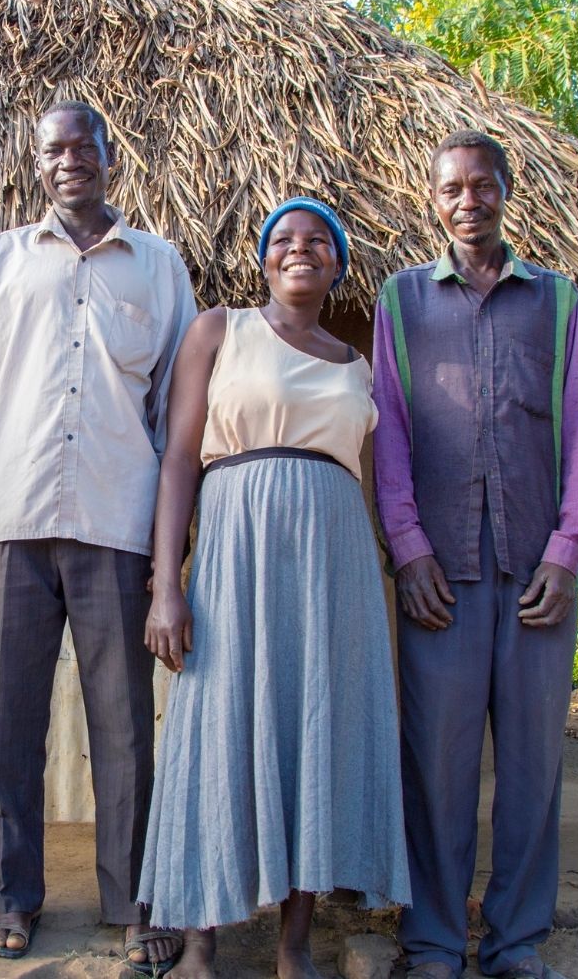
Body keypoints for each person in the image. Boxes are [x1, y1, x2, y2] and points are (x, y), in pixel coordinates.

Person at [0, 100, 197, 971]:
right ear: (37, 163)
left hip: (117, 523)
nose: (69, 161)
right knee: (11, 718)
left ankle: (134, 899)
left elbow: (173, 412)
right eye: (53, 150)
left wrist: (170, 541)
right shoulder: (0, 261)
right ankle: (11, 898)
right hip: (13, 519)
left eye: (84, 146)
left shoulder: (159, 268)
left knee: (123, 725)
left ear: (111, 157)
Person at [136, 199, 412, 978]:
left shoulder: (358, 365)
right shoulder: (220, 330)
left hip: (334, 564)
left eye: (318, 241)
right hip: (233, 552)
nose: (301, 250)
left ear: (338, 265)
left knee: (315, 730)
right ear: (263, 260)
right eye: (284, 240)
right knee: (216, 727)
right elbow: (180, 461)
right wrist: (167, 583)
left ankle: (294, 946)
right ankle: (199, 942)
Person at [375, 130, 578, 979]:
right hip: (440, 575)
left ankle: (515, 941)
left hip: (536, 567)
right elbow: (390, 435)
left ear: (507, 189)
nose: (468, 200)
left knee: (535, 761)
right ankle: (432, 939)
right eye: (451, 189)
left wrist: (568, 550)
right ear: (434, 201)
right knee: (437, 762)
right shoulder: (401, 303)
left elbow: (576, 433)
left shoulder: (557, 302)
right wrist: (409, 548)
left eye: (481, 185)